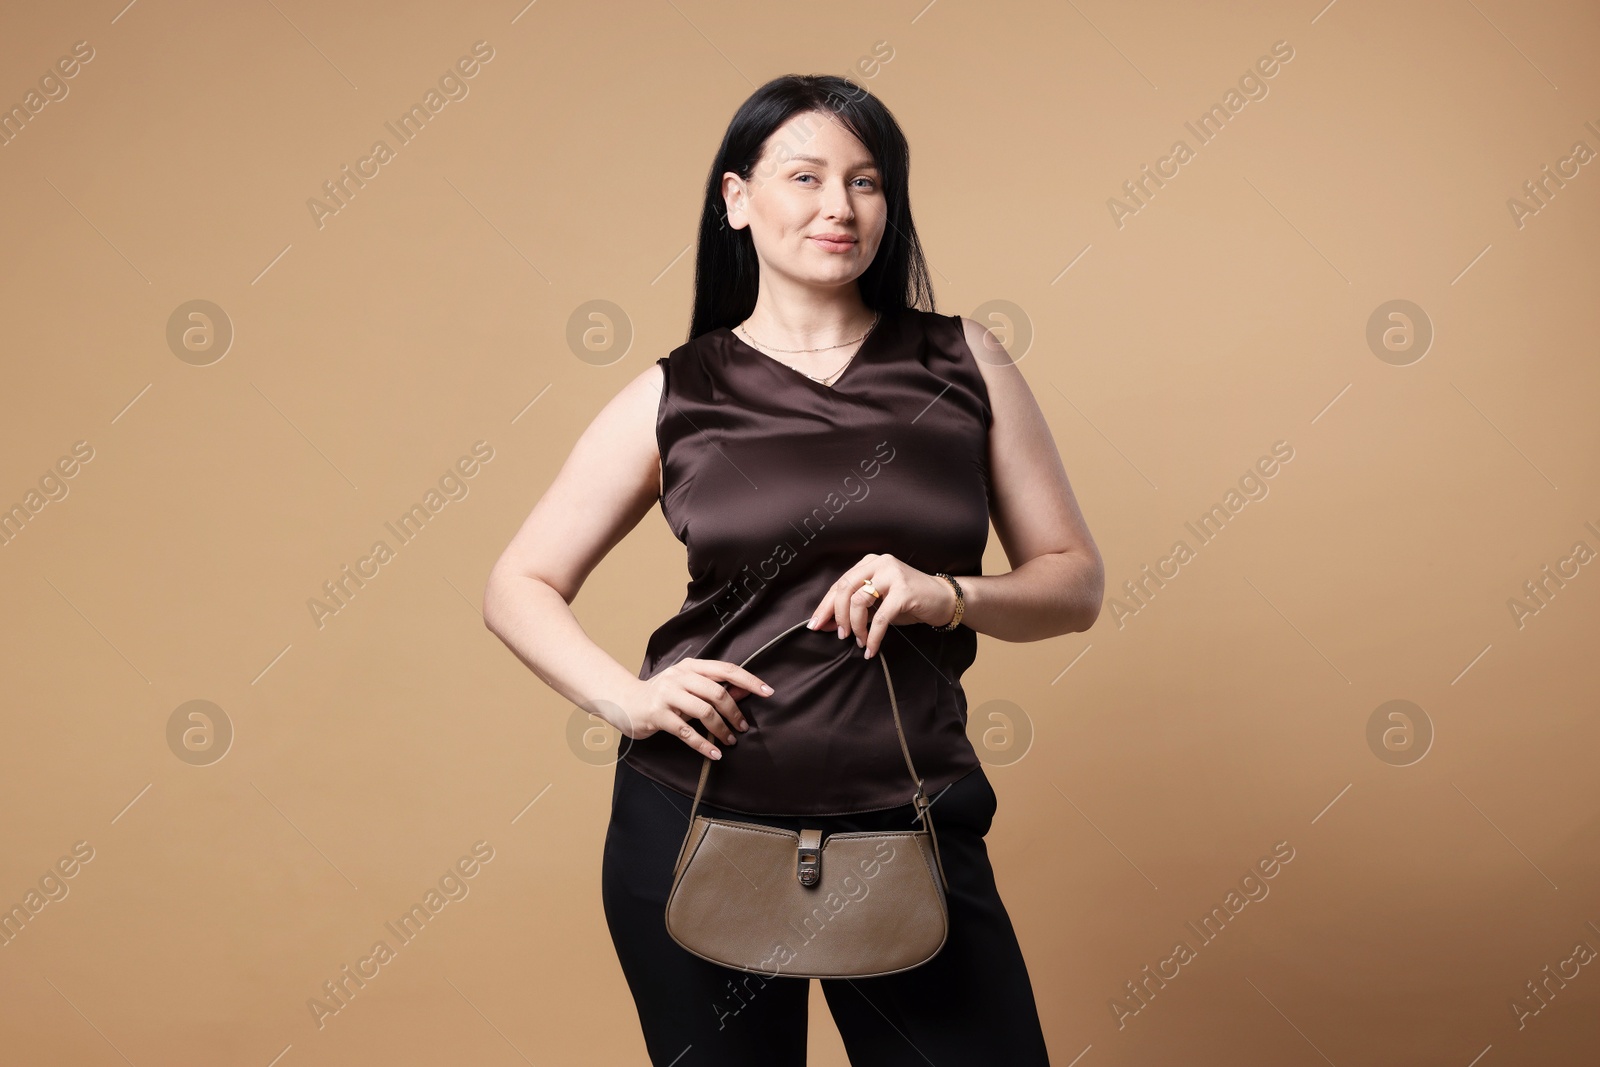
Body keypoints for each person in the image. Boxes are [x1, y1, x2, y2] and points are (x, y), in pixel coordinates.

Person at [484, 73, 1103, 1067]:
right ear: (736, 198)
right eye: (805, 175)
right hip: (693, 816)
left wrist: (946, 593)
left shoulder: (963, 362)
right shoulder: (677, 391)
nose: (837, 206)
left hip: (907, 811)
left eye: (866, 182)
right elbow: (517, 582)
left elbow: (1073, 582)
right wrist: (627, 699)